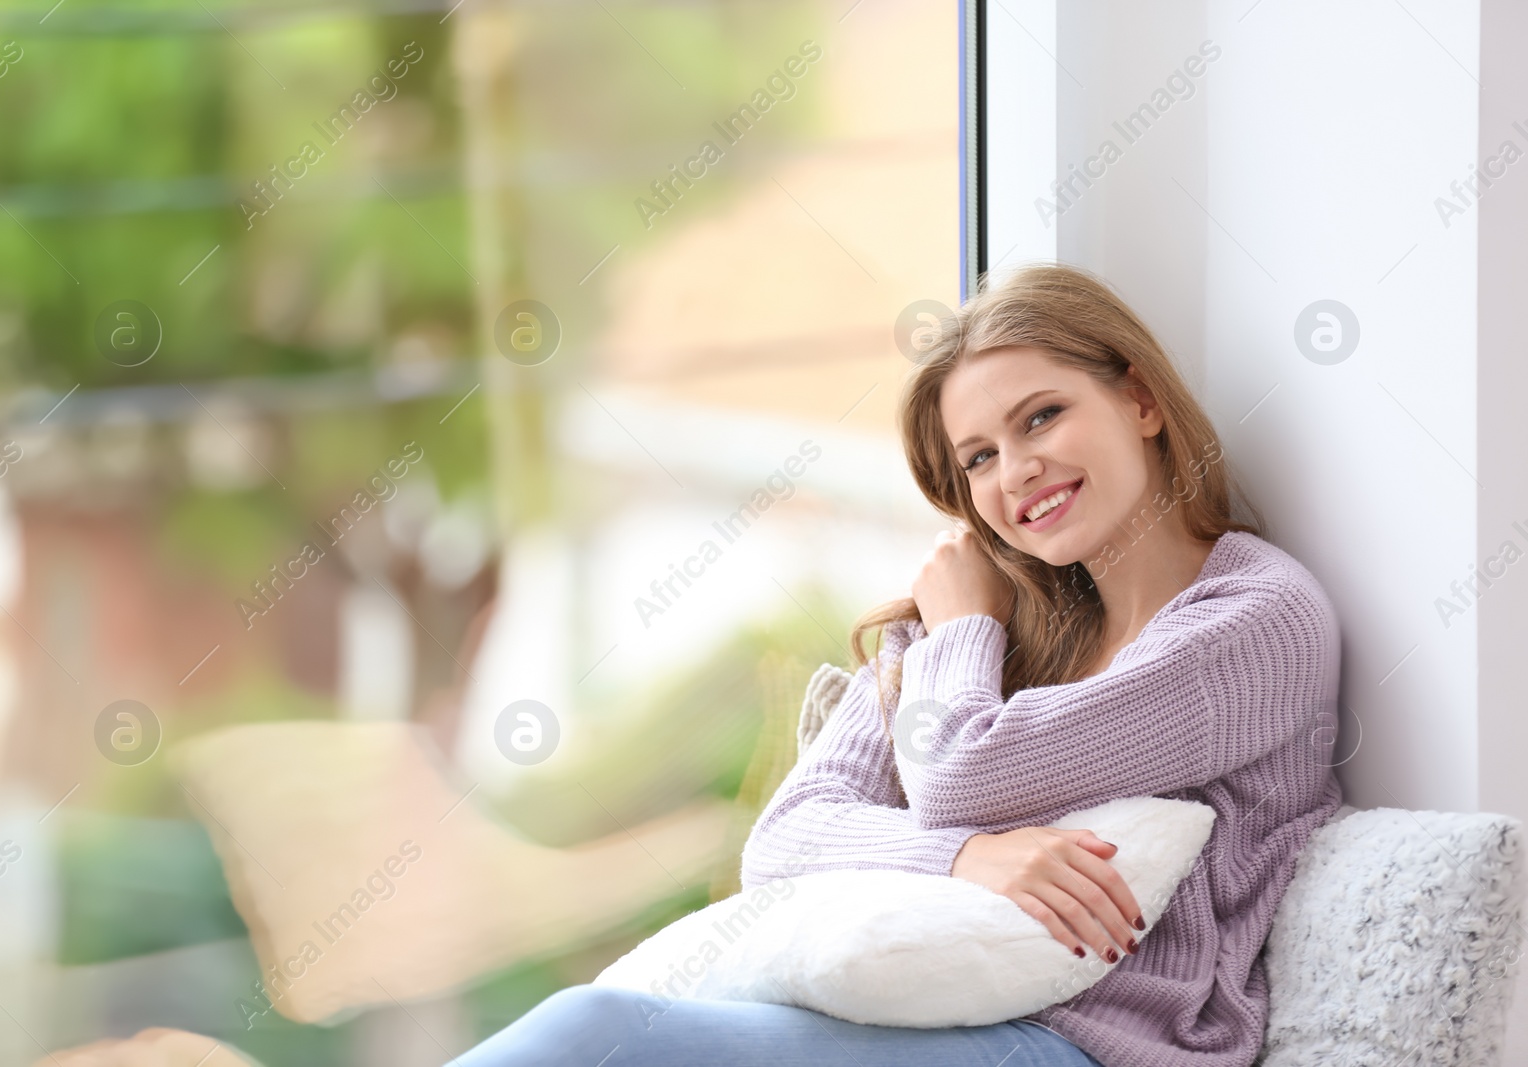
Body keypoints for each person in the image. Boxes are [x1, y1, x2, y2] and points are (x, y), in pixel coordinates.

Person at [445, 263, 1345, 1067]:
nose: (1019, 471)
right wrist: (965, 857)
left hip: (1090, 1045)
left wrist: (957, 637)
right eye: (980, 457)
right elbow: (788, 840)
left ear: (1141, 400)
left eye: (1043, 416)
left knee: (592, 1041)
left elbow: (963, 769)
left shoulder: (1256, 623)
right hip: (911, 1027)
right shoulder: (993, 623)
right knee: (590, 1027)